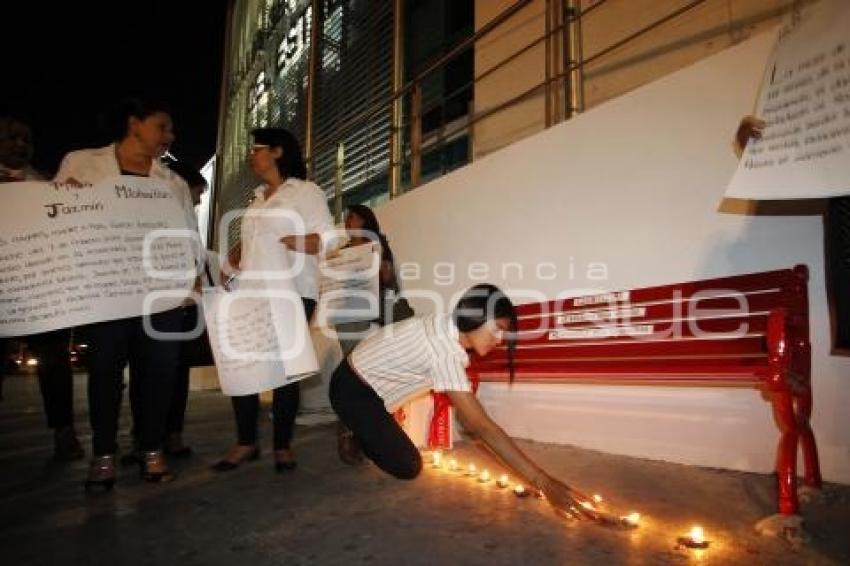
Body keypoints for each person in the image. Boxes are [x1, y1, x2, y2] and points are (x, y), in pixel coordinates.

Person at [329, 284, 598, 519]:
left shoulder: (446, 325)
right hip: (352, 391)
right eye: (497, 329)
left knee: (390, 434)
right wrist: (544, 483)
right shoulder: (444, 352)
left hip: (366, 382)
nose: (499, 339)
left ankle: (364, 423)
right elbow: (480, 426)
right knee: (407, 466)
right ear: (475, 317)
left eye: (505, 334)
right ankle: (351, 425)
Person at [55, 98, 199, 490]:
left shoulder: (172, 182)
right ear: (134, 124)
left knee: (160, 371)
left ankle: (151, 449)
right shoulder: (82, 163)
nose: (169, 136)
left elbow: (188, 236)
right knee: (104, 371)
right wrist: (66, 200)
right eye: (162, 126)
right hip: (107, 289)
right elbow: (57, 220)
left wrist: (193, 281)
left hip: (162, 292)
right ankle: (103, 455)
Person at [212, 127, 336, 473]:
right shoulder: (255, 199)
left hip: (294, 289)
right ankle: (246, 442)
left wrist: (302, 241)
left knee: (287, 370)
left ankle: (282, 444)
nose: (251, 156)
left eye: (258, 149)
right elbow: (251, 243)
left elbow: (327, 237)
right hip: (253, 292)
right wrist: (232, 259)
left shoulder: (305, 191)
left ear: (278, 152)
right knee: (244, 364)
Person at [0, 116, 83, 460]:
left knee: (54, 362)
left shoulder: (48, 184)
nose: (21, 144)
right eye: (11, 137)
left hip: (38, 292)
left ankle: (64, 433)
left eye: (27, 139)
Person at [124, 160, 209, 463]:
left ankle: (170, 434)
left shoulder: (183, 219)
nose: (198, 201)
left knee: (173, 370)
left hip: (178, 302)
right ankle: (146, 436)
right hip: (150, 297)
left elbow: (197, 253)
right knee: (146, 371)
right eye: (197, 194)